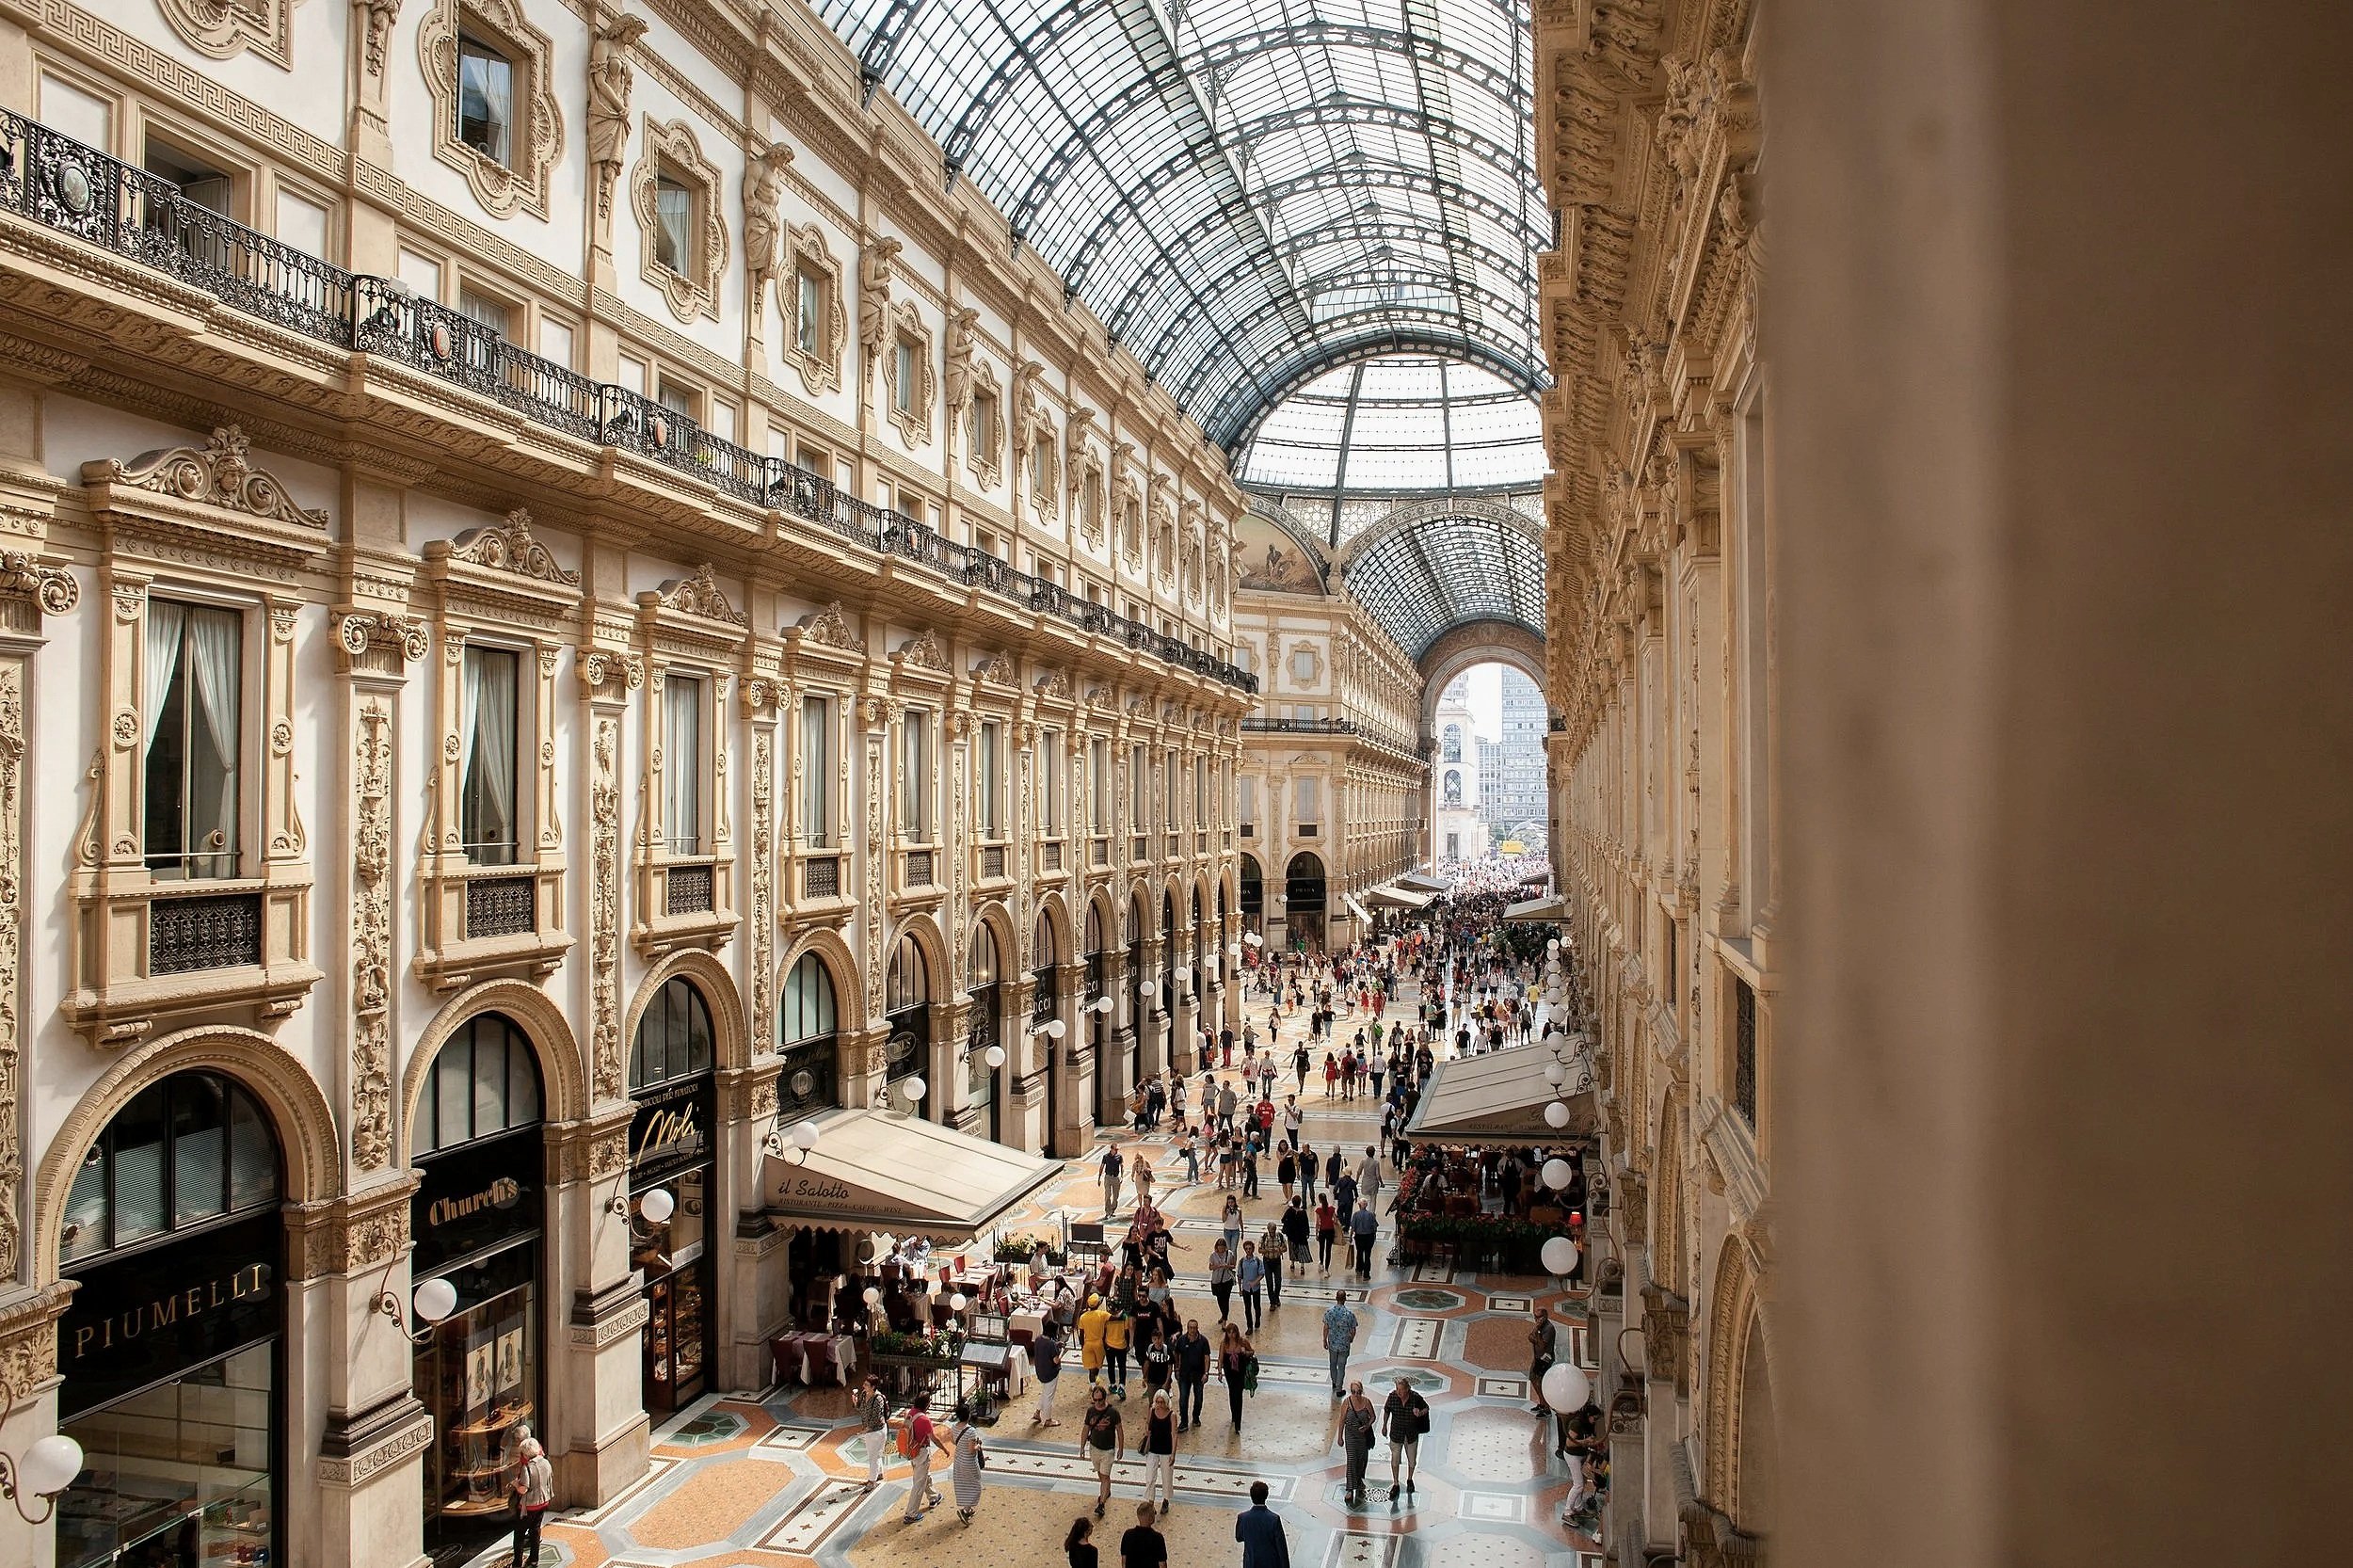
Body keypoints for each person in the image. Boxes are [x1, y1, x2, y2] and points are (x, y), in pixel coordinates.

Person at [892, 1392, 946, 1524]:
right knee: (919, 1483)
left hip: (912, 1451)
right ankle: (911, 1514)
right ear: (927, 1404)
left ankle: (934, 1496)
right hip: (921, 1452)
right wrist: (944, 1449)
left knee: (923, 1476)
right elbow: (934, 1439)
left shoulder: (910, 1413)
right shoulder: (925, 1420)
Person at [1383, 1375, 1430, 1498]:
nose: (1398, 1392)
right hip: (1396, 1433)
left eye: (1401, 1389)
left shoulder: (1415, 1398)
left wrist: (1420, 1413)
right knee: (1395, 1459)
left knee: (1412, 1460)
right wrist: (1384, 1425)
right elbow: (1387, 1410)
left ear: (1407, 1389)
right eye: (1397, 1389)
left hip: (1411, 1434)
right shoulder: (1392, 1397)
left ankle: (1409, 1479)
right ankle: (1396, 1483)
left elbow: (1426, 1408)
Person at [1080, 1384, 1124, 1518]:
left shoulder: (1113, 1412)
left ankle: (1102, 1504)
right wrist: (1082, 1447)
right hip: (1094, 1448)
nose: (1098, 1403)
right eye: (1095, 1400)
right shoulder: (1091, 1411)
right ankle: (1107, 1491)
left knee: (1105, 1477)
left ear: (1105, 1398)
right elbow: (1086, 1428)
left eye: (1100, 1400)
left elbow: (1120, 1431)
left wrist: (1121, 1448)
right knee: (1101, 1474)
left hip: (1108, 1450)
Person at [510, 1435, 553, 1566]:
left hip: (528, 1507)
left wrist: (515, 1484)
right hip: (543, 1502)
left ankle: (517, 1563)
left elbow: (523, 1489)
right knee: (535, 1530)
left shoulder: (527, 1467)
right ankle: (534, 1560)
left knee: (519, 1534)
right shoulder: (546, 1462)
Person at [1337, 1380, 1378, 1506]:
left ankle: (1359, 1480)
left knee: (1362, 1459)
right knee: (1351, 1460)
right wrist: (1340, 1437)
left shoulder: (1366, 1402)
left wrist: (1367, 1426)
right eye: (1354, 1392)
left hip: (1363, 1436)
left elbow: (1373, 1416)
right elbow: (1342, 1420)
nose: (1356, 1394)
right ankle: (1350, 1488)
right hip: (1350, 1435)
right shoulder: (1347, 1402)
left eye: (1358, 1392)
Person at [1234, 1480, 1291, 1568]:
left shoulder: (1243, 1518)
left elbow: (1239, 1537)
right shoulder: (1274, 1519)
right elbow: (1282, 1549)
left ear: (1251, 1496)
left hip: (1251, 1563)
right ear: (1266, 1496)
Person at [949, 1400, 987, 1522]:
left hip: (959, 1460)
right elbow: (972, 1450)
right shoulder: (971, 1431)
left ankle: (967, 1509)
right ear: (968, 1415)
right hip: (969, 1463)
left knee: (963, 1485)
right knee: (976, 1486)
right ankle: (966, 1510)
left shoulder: (954, 1427)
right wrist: (978, 1446)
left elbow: (953, 1441)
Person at [1141, 1389, 1177, 1512]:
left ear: (1166, 1402)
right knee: (1150, 1477)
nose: (1160, 1405)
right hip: (1153, 1449)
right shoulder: (1152, 1411)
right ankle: (1150, 1501)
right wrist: (1147, 1431)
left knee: (1167, 1478)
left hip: (1166, 1450)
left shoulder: (1172, 1415)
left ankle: (1166, 1500)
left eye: (1162, 1402)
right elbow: (1147, 1423)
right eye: (1157, 1402)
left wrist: (1173, 1453)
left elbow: (1174, 1434)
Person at [1173, 1317, 1211, 1432]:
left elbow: (1206, 1357)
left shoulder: (1203, 1341)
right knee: (1183, 1398)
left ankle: (1196, 1417)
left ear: (1197, 1328)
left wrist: (1206, 1373)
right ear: (1187, 1328)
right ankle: (1184, 1422)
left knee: (1198, 1397)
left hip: (1198, 1375)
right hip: (1184, 1374)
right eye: (1190, 1328)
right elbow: (1177, 1354)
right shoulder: (1182, 1340)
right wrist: (1177, 1369)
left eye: (1194, 1328)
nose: (1193, 1330)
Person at [855, 1373, 892, 1488]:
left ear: (873, 1387)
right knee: (875, 1454)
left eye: (866, 1385)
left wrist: (866, 1430)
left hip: (877, 1431)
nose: (863, 1386)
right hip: (869, 1431)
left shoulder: (878, 1399)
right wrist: (855, 1402)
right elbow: (860, 1408)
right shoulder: (864, 1394)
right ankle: (879, 1473)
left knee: (873, 1456)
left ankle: (872, 1481)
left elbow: (877, 1417)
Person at [1322, 1288, 1361, 1398]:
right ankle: (1339, 1388)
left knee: (1332, 1364)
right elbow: (1353, 1329)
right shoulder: (1349, 1314)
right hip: (1344, 1344)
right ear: (1345, 1299)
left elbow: (1326, 1327)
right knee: (1342, 1366)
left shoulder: (1329, 1312)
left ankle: (1334, 1382)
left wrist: (1324, 1340)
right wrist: (1351, 1338)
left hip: (1333, 1343)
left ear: (1336, 1298)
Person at [1217, 1321, 1255, 1432]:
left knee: (1238, 1394)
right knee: (1232, 1393)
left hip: (1240, 1371)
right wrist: (1219, 1372)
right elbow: (1220, 1358)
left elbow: (1252, 1351)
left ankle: (1238, 1421)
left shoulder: (1242, 1342)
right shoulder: (1224, 1344)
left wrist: (1245, 1352)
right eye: (1229, 1332)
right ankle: (1234, 1414)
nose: (1232, 1335)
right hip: (1229, 1372)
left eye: (1233, 1332)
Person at [1032, 1319, 1066, 1427]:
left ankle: (1037, 1412)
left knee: (1045, 1392)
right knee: (1049, 1396)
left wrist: (1056, 1345)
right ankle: (1047, 1419)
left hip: (1040, 1371)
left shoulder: (1038, 1339)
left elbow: (1045, 1348)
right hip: (1051, 1372)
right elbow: (1056, 1360)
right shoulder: (1051, 1344)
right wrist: (1062, 1353)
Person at [1528, 1304, 1558, 1415]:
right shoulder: (1538, 1326)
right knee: (1533, 1378)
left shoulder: (1549, 1329)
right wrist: (1536, 1330)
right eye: (1535, 1317)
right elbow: (1530, 1337)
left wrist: (1537, 1333)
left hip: (1545, 1360)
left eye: (1538, 1317)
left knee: (1541, 1383)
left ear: (1544, 1317)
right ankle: (1541, 1403)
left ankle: (1546, 1408)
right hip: (1537, 1358)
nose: (1536, 1320)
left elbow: (1542, 1346)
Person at [1119, 1501, 1169, 1568]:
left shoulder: (1128, 1535)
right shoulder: (1157, 1538)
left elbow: (1124, 1562)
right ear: (1151, 1518)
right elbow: (1162, 1564)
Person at [1080, 1294, 1111, 1386]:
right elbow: (1115, 1317)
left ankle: (1093, 1386)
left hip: (1087, 1344)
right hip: (1099, 1344)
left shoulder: (1083, 1317)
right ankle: (1095, 1381)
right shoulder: (1102, 1314)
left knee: (1091, 1368)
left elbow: (1081, 1334)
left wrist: (1082, 1346)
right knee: (1097, 1366)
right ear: (1098, 1304)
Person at [1237, 1240, 1266, 1332]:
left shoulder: (1257, 1261)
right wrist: (1240, 1289)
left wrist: (1255, 1282)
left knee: (1257, 1307)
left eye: (1250, 1248)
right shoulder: (1242, 1262)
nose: (1248, 1250)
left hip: (1256, 1288)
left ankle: (1257, 1319)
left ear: (1253, 1249)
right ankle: (1249, 1326)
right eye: (1246, 1249)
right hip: (1246, 1288)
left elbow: (1261, 1274)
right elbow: (1239, 1275)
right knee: (1247, 1308)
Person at [1260, 1216, 1287, 1309]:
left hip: (1277, 1261)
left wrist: (1279, 1249)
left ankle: (1276, 1297)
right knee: (1269, 1282)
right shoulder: (1264, 1237)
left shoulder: (1279, 1236)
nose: (1272, 1233)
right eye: (1271, 1231)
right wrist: (1267, 1250)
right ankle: (1272, 1302)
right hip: (1267, 1261)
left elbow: (1285, 1248)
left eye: (1274, 1230)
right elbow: (1260, 1250)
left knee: (1278, 1281)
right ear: (1268, 1230)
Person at [1208, 1239, 1235, 1323]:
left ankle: (1225, 1320)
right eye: (1219, 1247)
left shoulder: (1229, 1254)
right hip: (1217, 1281)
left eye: (1222, 1247)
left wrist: (1228, 1266)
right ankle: (1223, 1315)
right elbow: (1210, 1267)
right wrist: (1217, 1266)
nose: (1221, 1249)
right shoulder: (1213, 1255)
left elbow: (1233, 1265)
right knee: (1220, 1300)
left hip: (1227, 1280)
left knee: (1226, 1300)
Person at [1350, 1197, 1378, 1281]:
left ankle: (1359, 1269)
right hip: (1369, 1237)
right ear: (1366, 1205)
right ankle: (1366, 1274)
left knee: (1359, 1253)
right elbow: (1375, 1227)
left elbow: (1353, 1227)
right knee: (1367, 1255)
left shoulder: (1356, 1214)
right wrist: (1374, 1236)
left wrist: (1350, 1237)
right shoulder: (1371, 1214)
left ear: (1359, 1205)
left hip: (1359, 1237)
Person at [1314, 1196, 1338, 1274]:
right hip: (1330, 1231)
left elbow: (1317, 1223)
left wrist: (1316, 1233)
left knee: (1321, 1248)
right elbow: (1335, 1220)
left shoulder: (1319, 1210)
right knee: (1328, 1250)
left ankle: (1321, 1264)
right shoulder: (1331, 1209)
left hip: (1322, 1230)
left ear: (1320, 1200)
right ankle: (1327, 1269)